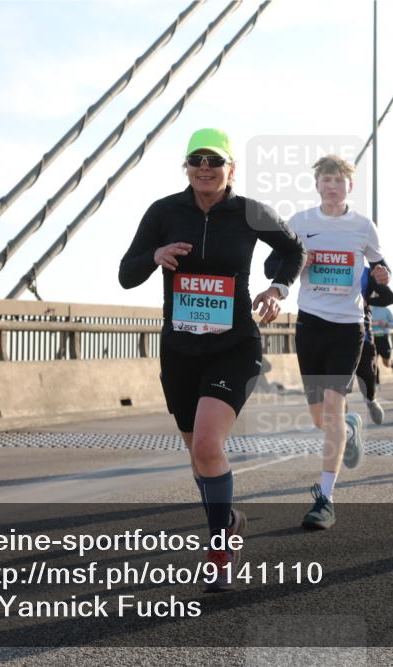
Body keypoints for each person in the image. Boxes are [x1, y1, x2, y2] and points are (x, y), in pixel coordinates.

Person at [119, 128, 303, 590]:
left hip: (234, 345)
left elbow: (293, 249)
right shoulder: (164, 212)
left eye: (215, 161)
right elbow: (126, 274)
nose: (205, 168)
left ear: (231, 169)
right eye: (197, 160)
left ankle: (220, 549)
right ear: (186, 166)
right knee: (198, 455)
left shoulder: (250, 212)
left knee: (206, 443)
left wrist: (277, 288)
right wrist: (155, 255)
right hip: (180, 350)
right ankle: (228, 521)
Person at [266, 154, 390, 530]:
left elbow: (380, 265)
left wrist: (382, 273)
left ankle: (325, 498)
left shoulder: (363, 226)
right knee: (321, 418)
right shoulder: (300, 222)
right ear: (317, 184)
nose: (333, 186)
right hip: (310, 324)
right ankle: (349, 429)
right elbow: (272, 266)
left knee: (332, 411)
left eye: (339, 180)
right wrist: (298, 263)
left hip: (347, 327)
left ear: (350, 186)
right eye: (327, 180)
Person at [355, 267, 393, 425]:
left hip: (372, 336)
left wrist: (367, 301)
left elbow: (391, 299)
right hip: (336, 333)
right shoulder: (328, 267)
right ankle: (342, 423)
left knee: (370, 370)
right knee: (339, 380)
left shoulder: (367, 273)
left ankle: (371, 399)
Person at [371, 304, 393, 378]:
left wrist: (386, 324)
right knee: (373, 362)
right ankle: (376, 381)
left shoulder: (386, 310)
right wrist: (371, 324)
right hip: (373, 339)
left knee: (386, 363)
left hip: (384, 339)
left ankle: (392, 364)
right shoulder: (369, 309)